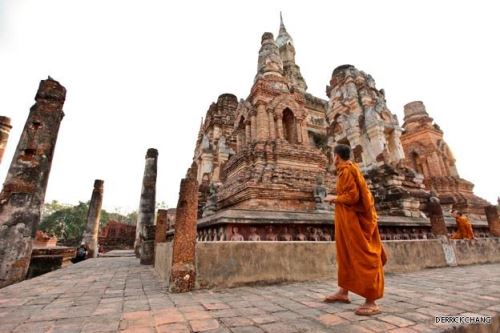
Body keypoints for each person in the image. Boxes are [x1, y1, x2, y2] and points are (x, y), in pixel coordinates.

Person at [323, 144, 387, 316]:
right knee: (345, 254)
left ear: (336, 156)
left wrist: (333, 198)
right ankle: (343, 291)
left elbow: (353, 197)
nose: (332, 158)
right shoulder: (344, 171)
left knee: (363, 255)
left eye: (332, 155)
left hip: (355, 221)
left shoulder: (348, 171)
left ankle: (371, 300)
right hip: (345, 220)